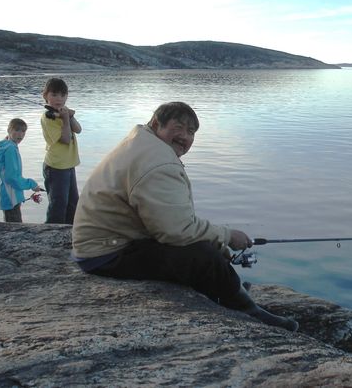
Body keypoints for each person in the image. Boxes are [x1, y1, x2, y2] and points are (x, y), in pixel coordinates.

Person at [72, 102, 298, 331]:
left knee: (203, 250)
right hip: (106, 254)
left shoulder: (142, 143)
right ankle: (246, 310)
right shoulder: (158, 162)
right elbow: (175, 231)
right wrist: (227, 237)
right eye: (178, 127)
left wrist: (217, 244)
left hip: (109, 242)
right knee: (203, 257)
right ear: (156, 124)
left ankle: (227, 290)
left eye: (191, 132)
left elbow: (167, 219)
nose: (185, 137)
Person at [41, 77, 82, 224]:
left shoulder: (63, 113)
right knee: (58, 205)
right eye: (54, 95)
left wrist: (69, 116)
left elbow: (78, 129)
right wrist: (65, 120)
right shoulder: (47, 117)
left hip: (69, 165)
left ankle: (69, 233)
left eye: (63, 95)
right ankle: (51, 236)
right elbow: (65, 139)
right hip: (56, 166)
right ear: (46, 96)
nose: (59, 99)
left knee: (73, 203)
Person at [0, 118, 43, 222]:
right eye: (16, 130)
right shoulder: (10, 149)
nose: (20, 134)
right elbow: (12, 178)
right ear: (9, 130)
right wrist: (31, 184)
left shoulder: (5, 146)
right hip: (12, 198)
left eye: (23, 131)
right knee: (15, 229)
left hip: (6, 196)